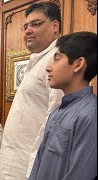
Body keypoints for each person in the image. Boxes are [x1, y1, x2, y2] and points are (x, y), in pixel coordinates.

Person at [0, 2, 64, 180]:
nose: (27, 30)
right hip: (14, 162)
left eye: (36, 24)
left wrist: (35, 170)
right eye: (25, 26)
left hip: (29, 167)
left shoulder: (57, 60)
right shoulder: (38, 60)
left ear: (55, 26)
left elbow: (54, 121)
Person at [29, 31, 97, 180]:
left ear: (78, 64)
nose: (48, 67)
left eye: (56, 59)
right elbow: (39, 162)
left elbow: (81, 174)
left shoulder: (91, 114)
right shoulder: (57, 112)